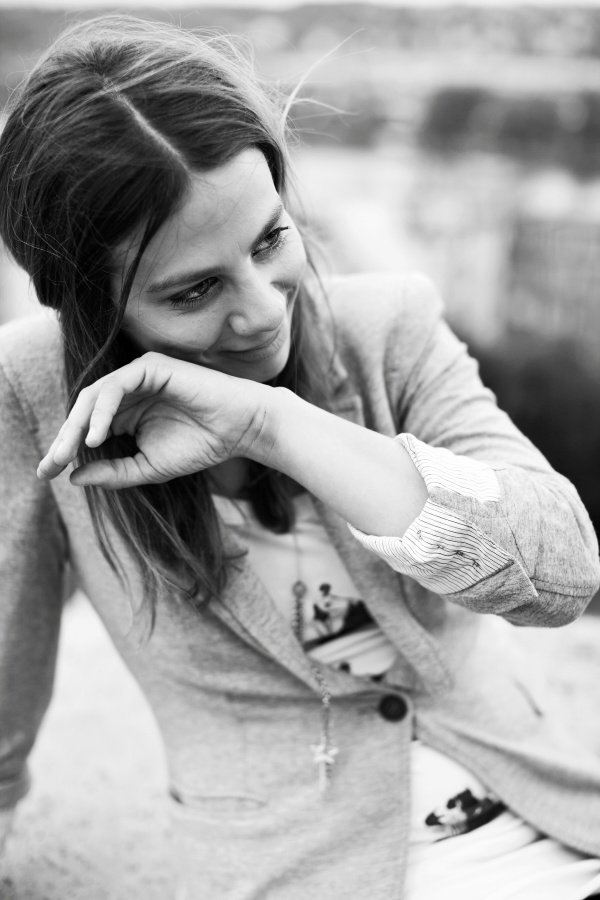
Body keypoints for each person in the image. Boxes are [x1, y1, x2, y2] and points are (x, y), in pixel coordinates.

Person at [0, 15, 599, 900]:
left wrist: (275, 425)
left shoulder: (387, 326)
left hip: (550, 831)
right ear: (92, 307)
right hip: (295, 871)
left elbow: (563, 573)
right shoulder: (32, 392)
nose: (260, 312)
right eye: (195, 290)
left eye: (270, 241)